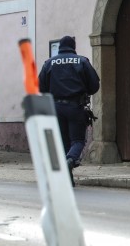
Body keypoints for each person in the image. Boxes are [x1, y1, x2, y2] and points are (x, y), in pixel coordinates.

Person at [38, 35, 100, 186]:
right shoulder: (82, 61)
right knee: (78, 141)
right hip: (76, 107)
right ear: (73, 46)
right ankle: (71, 160)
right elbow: (94, 85)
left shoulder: (49, 63)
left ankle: (67, 177)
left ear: (60, 47)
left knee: (64, 143)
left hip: (56, 108)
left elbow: (40, 87)